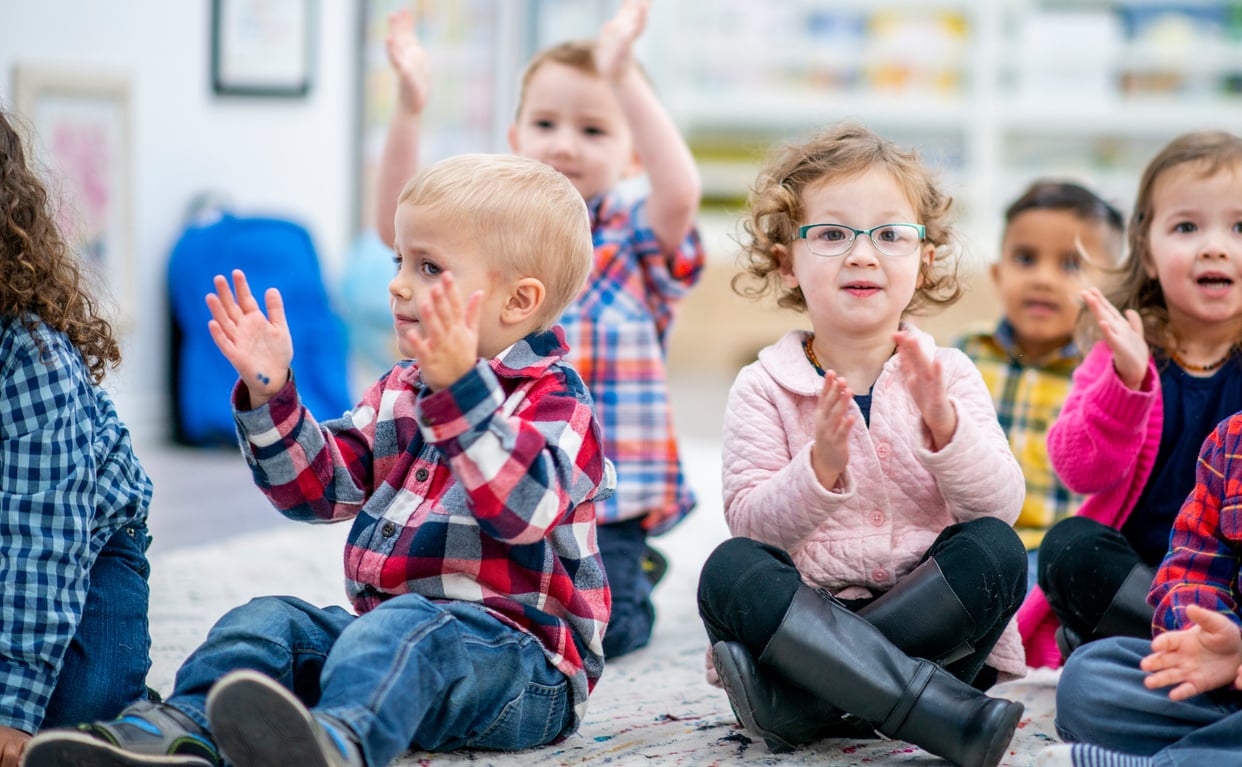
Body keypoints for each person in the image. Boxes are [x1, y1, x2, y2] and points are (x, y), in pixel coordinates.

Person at [23, 153, 614, 767]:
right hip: (390, 642)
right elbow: (319, 488)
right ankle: (179, 734)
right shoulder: (403, 388)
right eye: (401, 261)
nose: (398, 284)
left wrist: (461, 393)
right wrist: (271, 392)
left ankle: (336, 743)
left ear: (518, 302)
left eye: (429, 267)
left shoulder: (556, 401)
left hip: (522, 667)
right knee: (266, 623)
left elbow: (524, 510)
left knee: (406, 632)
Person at [373, 0, 705, 658]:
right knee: (489, 598)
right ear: (515, 135)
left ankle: (631, 573)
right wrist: (410, 109)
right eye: (546, 122)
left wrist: (623, 73)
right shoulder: (487, 238)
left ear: (633, 152)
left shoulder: (634, 241)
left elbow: (680, 193)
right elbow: (395, 225)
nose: (564, 143)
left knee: (612, 628)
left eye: (593, 129)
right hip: (499, 475)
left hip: (606, 500)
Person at [695, 123, 1028, 767]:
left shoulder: (950, 375)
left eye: (889, 235)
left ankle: (803, 707)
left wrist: (943, 426)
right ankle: (934, 712)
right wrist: (817, 469)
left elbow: (1000, 505)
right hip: (807, 623)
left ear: (924, 259)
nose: (862, 254)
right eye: (831, 234)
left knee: (997, 548)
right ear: (785, 261)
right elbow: (754, 524)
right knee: (730, 570)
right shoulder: (762, 384)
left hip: (941, 634)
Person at [1018, 131, 1242, 669]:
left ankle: (1179, 653)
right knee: (1069, 547)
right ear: (1146, 250)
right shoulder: (1119, 354)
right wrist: (1126, 381)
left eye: (1239, 227)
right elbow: (1078, 471)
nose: (1214, 245)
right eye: (1186, 227)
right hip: (1135, 576)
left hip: (1229, 580)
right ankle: (1185, 651)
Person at [0, 110, 155, 767]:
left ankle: (162, 727)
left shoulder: (30, 353)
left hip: (85, 551)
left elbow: (44, 540)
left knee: (71, 718)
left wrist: (12, 707)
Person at [1037, 411, 1242, 767]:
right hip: (1228, 680)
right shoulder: (1232, 439)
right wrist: (1205, 639)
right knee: (1087, 679)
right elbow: (1192, 567)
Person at [954, 180, 1125, 592]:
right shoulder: (966, 356)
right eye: (1025, 258)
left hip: (1059, 558)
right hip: (972, 545)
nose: (1043, 279)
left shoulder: (1108, 375)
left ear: (1113, 288)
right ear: (998, 273)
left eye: (1070, 265)